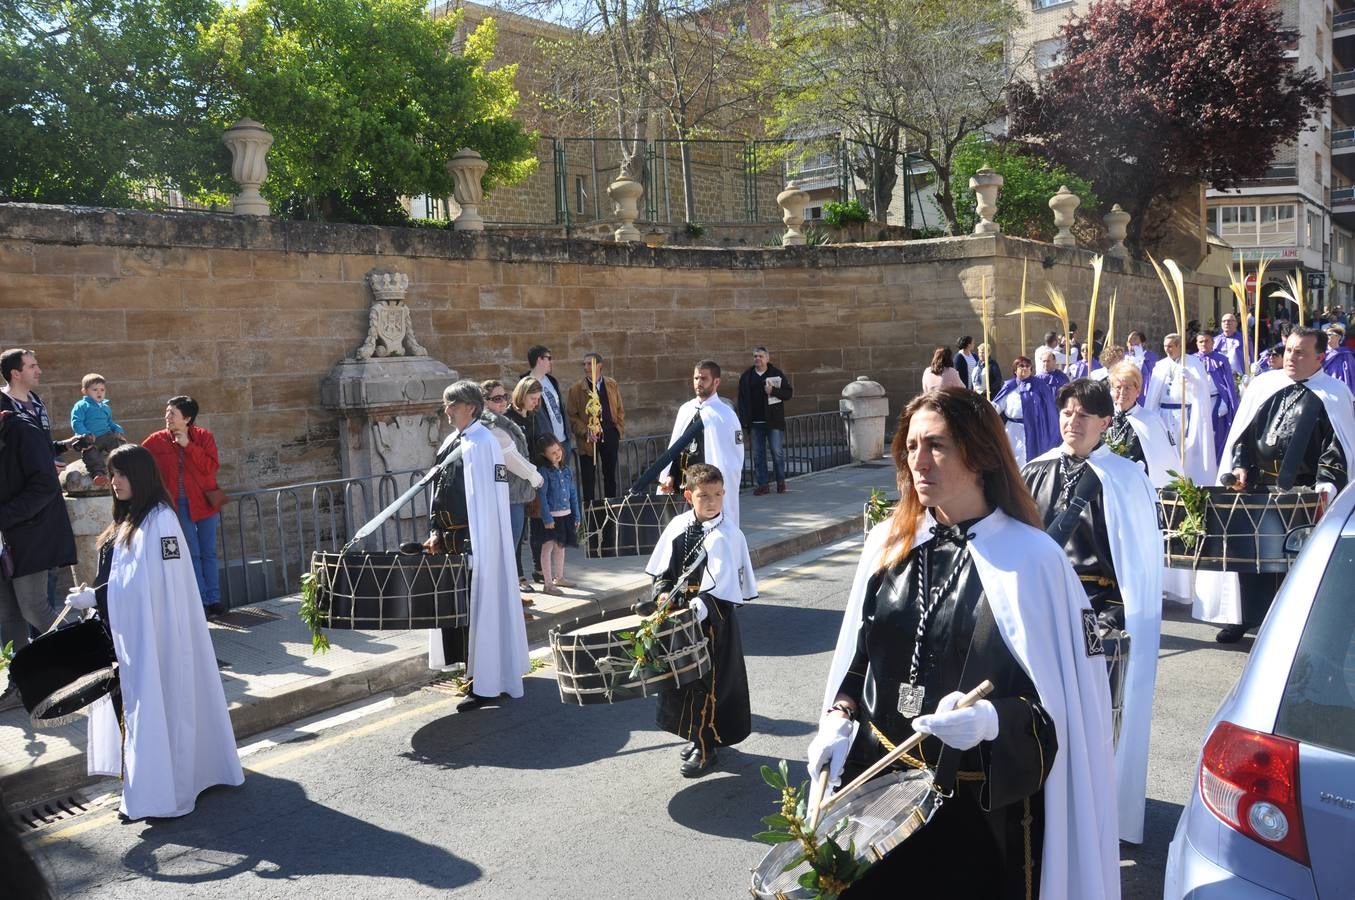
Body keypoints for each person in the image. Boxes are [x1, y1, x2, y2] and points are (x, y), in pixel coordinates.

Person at [808, 387, 1117, 899]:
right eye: (910, 447)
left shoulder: (1033, 560)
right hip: (875, 797)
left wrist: (993, 720)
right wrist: (838, 717)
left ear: (979, 453)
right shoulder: (890, 543)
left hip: (976, 816)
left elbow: (1062, 712)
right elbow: (862, 655)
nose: (919, 462)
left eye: (937, 446)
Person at [1021, 379, 1163, 844]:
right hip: (1042, 610)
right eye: (1066, 412)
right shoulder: (1034, 471)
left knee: (1092, 725)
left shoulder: (1125, 478)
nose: (1072, 422)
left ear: (1105, 422)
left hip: (1099, 613)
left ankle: (1089, 814)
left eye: (1083, 415)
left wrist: (1117, 621)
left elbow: (1134, 568)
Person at [77, 444, 244, 820]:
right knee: (133, 711)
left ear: (142, 476)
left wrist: (96, 597)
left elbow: (159, 585)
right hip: (127, 637)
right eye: (112, 474)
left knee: (152, 710)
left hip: (157, 638)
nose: (115, 482)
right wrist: (98, 596)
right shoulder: (127, 520)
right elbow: (123, 576)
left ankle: (157, 793)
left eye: (122, 474)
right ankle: (142, 786)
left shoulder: (161, 520)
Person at [1197, 328, 1355, 643]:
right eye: (1289, 350)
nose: (1291, 358)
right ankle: (1243, 619)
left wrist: (1325, 487)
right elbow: (1244, 436)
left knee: (1291, 564)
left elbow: (1337, 449)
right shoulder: (1265, 385)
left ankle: (1288, 627)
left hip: (1302, 495)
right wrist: (1241, 465)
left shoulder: (1334, 394)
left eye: (1301, 353)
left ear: (1320, 357)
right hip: (1256, 488)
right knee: (1248, 557)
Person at [641, 463, 756, 777]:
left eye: (718, 494)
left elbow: (726, 589)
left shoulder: (728, 535)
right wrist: (663, 594)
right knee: (684, 682)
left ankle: (707, 749)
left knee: (708, 684)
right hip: (680, 619)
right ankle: (697, 737)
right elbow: (664, 574)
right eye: (704, 495)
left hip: (712, 626)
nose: (712, 502)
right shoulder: (678, 526)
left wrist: (701, 606)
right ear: (689, 495)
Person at [424, 380, 530, 710]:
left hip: (475, 543)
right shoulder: (453, 441)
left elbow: (488, 501)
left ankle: (484, 683)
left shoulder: (485, 442)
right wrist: (435, 530)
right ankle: (471, 673)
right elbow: (439, 490)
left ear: (469, 407)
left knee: (479, 612)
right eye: (445, 405)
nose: (446, 411)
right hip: (451, 541)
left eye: (451, 405)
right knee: (458, 614)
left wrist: (479, 545)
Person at [0, 410, 74, 710]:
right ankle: (21, 684)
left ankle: (89, 660)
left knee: (34, 608)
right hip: (7, 541)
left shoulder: (23, 432)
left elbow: (45, 486)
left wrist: (3, 517)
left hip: (31, 537)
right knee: (7, 615)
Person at [143, 396, 225, 616]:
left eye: (173, 413)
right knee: (192, 552)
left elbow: (210, 467)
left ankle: (215, 598)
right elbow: (140, 461)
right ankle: (201, 600)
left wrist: (188, 446)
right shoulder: (156, 439)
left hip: (205, 500)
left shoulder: (204, 437)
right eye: (167, 412)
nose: (167, 416)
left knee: (208, 551)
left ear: (187, 418)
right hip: (178, 504)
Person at [660, 360, 744, 529]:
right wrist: (671, 475)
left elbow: (734, 460)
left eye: (704, 378)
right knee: (680, 534)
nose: (698, 382)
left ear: (716, 382)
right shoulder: (686, 409)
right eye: (696, 378)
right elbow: (677, 448)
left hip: (707, 490)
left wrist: (715, 487)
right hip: (683, 489)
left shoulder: (725, 415)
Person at [480, 379, 543, 601]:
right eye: (497, 398)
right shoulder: (491, 425)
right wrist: (534, 476)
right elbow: (511, 457)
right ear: (484, 402)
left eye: (504, 396)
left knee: (510, 545)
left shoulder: (498, 422)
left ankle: (509, 596)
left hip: (510, 492)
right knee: (508, 547)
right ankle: (508, 598)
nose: (503, 401)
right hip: (509, 492)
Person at [1144, 333, 1215, 483]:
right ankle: (1165, 481)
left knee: (1182, 449)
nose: (1167, 350)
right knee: (1164, 448)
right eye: (1165, 346)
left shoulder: (1193, 363)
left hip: (1182, 413)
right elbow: (1153, 393)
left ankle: (1184, 480)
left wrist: (1192, 379)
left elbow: (1203, 388)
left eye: (1170, 346)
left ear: (1179, 346)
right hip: (1163, 413)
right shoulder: (1161, 365)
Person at [0, 348, 89, 462]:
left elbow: (39, 448)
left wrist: (66, 445)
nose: (39, 371)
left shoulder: (37, 403)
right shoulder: (3, 404)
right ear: (16, 373)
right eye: (32, 367)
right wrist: (45, 466)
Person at [566, 353, 625, 502]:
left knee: (610, 476)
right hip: (588, 439)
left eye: (589, 364)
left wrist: (618, 430)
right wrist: (585, 431)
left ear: (600, 366)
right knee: (588, 480)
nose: (586, 367)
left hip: (610, 434)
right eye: (584, 364)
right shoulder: (576, 389)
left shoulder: (611, 384)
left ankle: (610, 514)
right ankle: (591, 518)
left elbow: (619, 409)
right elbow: (572, 416)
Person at [1105, 362, 1175, 486]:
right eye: (1118, 387)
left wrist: (1140, 466)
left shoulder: (1150, 420)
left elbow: (1161, 459)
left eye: (1127, 387)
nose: (1122, 392)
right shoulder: (1102, 418)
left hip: (1139, 483)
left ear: (1138, 390)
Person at [737, 346, 794, 496]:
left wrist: (773, 391)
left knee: (777, 452)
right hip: (755, 423)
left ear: (767, 358)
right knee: (758, 454)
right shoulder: (746, 376)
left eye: (761, 356)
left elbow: (788, 393)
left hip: (773, 422)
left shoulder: (776, 374)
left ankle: (780, 482)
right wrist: (744, 421)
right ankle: (763, 485)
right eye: (755, 356)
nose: (757, 359)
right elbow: (741, 400)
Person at [506, 377, 545, 586]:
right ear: (522, 395)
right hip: (516, 481)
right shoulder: (508, 418)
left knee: (536, 525)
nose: (535, 403)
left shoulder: (533, 416)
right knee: (517, 533)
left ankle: (540, 570)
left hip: (533, 478)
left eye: (538, 399)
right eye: (533, 398)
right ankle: (518, 575)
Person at [533, 435, 581, 596]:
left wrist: (577, 515)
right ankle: (548, 584)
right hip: (552, 516)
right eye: (552, 452)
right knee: (547, 548)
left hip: (565, 514)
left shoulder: (566, 470)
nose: (557, 454)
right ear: (544, 455)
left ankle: (559, 577)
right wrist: (547, 518)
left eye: (558, 450)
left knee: (560, 547)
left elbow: (573, 493)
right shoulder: (544, 472)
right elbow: (542, 497)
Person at [990, 356, 1059, 467]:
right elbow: (996, 406)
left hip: (1034, 429)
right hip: (1013, 430)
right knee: (1013, 458)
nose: (1025, 368)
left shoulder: (1039, 385)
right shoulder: (1009, 386)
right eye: (1021, 366)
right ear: (1015, 369)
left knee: (1030, 459)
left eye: (1028, 366)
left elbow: (1049, 408)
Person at [69, 373, 127, 487]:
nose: (99, 392)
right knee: (91, 455)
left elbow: (110, 423)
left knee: (119, 447)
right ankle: (99, 475)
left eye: (102, 389)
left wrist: (117, 430)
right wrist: (85, 434)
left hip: (106, 435)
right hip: (91, 438)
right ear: (85, 391)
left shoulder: (105, 407)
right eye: (95, 389)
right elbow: (76, 422)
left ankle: (122, 469)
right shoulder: (82, 405)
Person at [1194, 332, 1240, 465]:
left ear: (1213, 343)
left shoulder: (1221, 360)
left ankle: (1216, 462)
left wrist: (1226, 402)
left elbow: (1227, 383)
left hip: (1216, 401)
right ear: (1197, 344)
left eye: (1207, 341)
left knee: (1216, 434)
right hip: (1198, 402)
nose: (1204, 344)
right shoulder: (1191, 360)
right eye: (1201, 341)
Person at [523, 345, 570, 462]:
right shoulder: (526, 384)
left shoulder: (551, 380)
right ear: (539, 360)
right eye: (548, 358)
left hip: (563, 440)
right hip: (546, 444)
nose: (551, 361)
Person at [1126, 331, 1159, 405]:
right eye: (1129, 342)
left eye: (1134, 340)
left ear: (1143, 344)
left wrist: (1140, 358)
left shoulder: (1152, 357)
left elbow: (1150, 372)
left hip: (1143, 393)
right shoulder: (1124, 357)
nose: (1131, 344)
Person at [1323, 324, 1355, 392]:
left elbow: (1350, 376)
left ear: (1338, 337)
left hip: (1340, 388)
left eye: (1330, 334)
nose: (1327, 336)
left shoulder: (1347, 354)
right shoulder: (1321, 353)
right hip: (1324, 386)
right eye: (1326, 334)